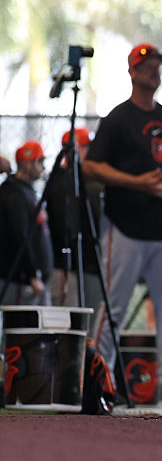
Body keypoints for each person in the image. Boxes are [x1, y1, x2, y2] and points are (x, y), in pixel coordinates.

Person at [83, 43, 162, 406]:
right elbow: (91, 167)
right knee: (113, 309)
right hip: (125, 228)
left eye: (158, 66)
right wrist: (137, 183)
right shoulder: (117, 119)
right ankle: (100, 383)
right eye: (147, 66)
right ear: (132, 71)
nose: (154, 71)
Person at [44, 127, 106, 321]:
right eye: (86, 147)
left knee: (92, 317)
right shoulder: (61, 182)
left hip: (91, 263)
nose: (91, 153)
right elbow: (64, 228)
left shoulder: (93, 182)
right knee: (68, 321)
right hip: (68, 266)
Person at [0, 140, 53, 305]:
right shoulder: (15, 194)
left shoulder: (27, 191)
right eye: (40, 162)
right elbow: (21, 235)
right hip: (21, 281)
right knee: (22, 328)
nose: (43, 167)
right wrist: (32, 274)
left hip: (33, 280)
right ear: (27, 164)